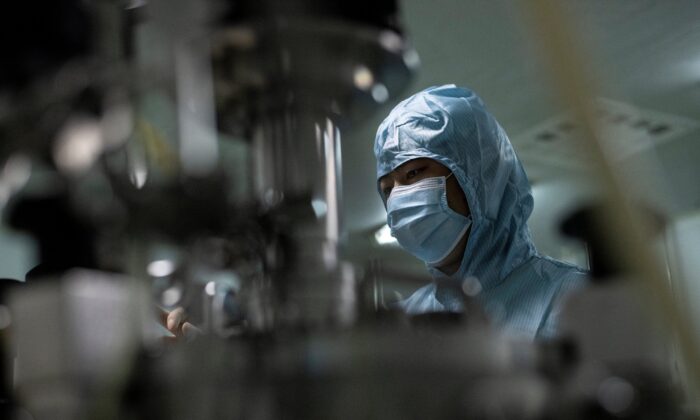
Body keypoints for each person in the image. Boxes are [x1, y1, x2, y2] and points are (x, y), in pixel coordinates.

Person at [375, 84, 588, 339]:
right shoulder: (401, 324)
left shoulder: (577, 300)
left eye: (413, 173)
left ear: (480, 177)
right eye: (387, 190)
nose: (398, 198)